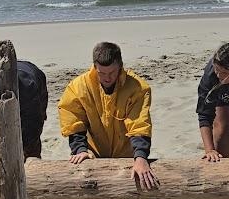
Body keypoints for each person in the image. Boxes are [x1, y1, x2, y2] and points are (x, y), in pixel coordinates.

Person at [57, 41, 159, 189]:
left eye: (112, 72)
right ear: (94, 67)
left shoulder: (138, 88)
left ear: (120, 66)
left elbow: (139, 124)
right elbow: (72, 119)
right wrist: (80, 149)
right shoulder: (77, 87)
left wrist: (140, 157)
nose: (107, 78)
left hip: (127, 157)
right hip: (93, 155)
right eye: (102, 73)